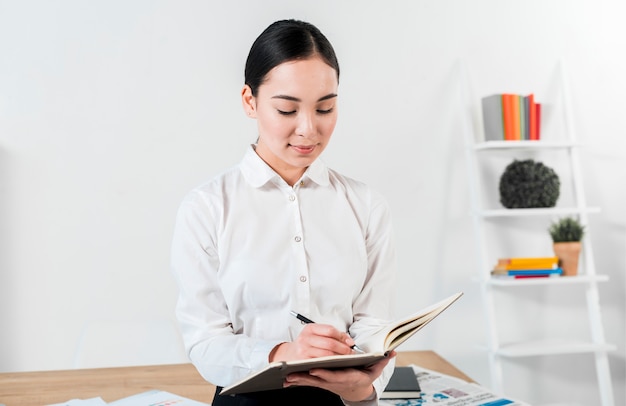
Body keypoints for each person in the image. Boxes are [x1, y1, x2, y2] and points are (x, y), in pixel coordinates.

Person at [171, 19, 397, 405]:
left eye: (325, 108)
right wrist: (281, 354)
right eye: (287, 110)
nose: (308, 129)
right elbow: (205, 341)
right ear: (250, 101)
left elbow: (375, 323)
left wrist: (366, 386)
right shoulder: (207, 207)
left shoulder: (365, 205)